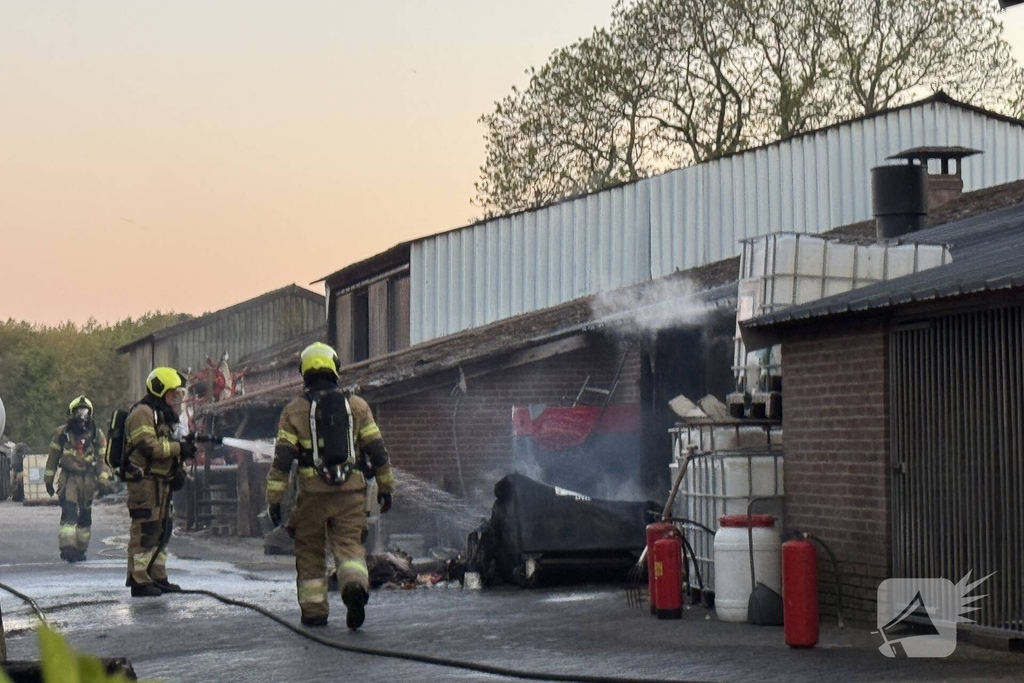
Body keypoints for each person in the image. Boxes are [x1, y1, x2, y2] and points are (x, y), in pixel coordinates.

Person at [265, 342, 395, 629]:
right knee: (349, 547)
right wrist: (387, 487)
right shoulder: (358, 407)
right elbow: (378, 451)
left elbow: (282, 461)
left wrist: (273, 499)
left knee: (310, 550)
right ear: (334, 368)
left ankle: (314, 612)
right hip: (351, 492)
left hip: (312, 495)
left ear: (305, 372)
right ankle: (354, 585)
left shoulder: (294, 411)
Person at [123, 367, 196, 597]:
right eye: (172, 393)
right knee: (146, 530)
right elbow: (149, 446)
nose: (175, 398)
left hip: (161, 483)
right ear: (159, 390)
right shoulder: (143, 413)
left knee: (163, 530)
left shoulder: (163, 414)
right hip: (144, 483)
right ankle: (139, 579)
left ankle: (158, 575)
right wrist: (178, 448)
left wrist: (181, 460)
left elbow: (169, 444)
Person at [44, 396, 112, 562]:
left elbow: (104, 459)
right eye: (78, 412)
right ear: (71, 414)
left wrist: (103, 480)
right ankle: (67, 549)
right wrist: (49, 480)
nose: (82, 416)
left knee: (85, 516)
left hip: (88, 479)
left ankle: (80, 548)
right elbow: (53, 458)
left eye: (85, 412)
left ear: (90, 415)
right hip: (69, 479)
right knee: (69, 512)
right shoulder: (62, 434)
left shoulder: (97, 434)